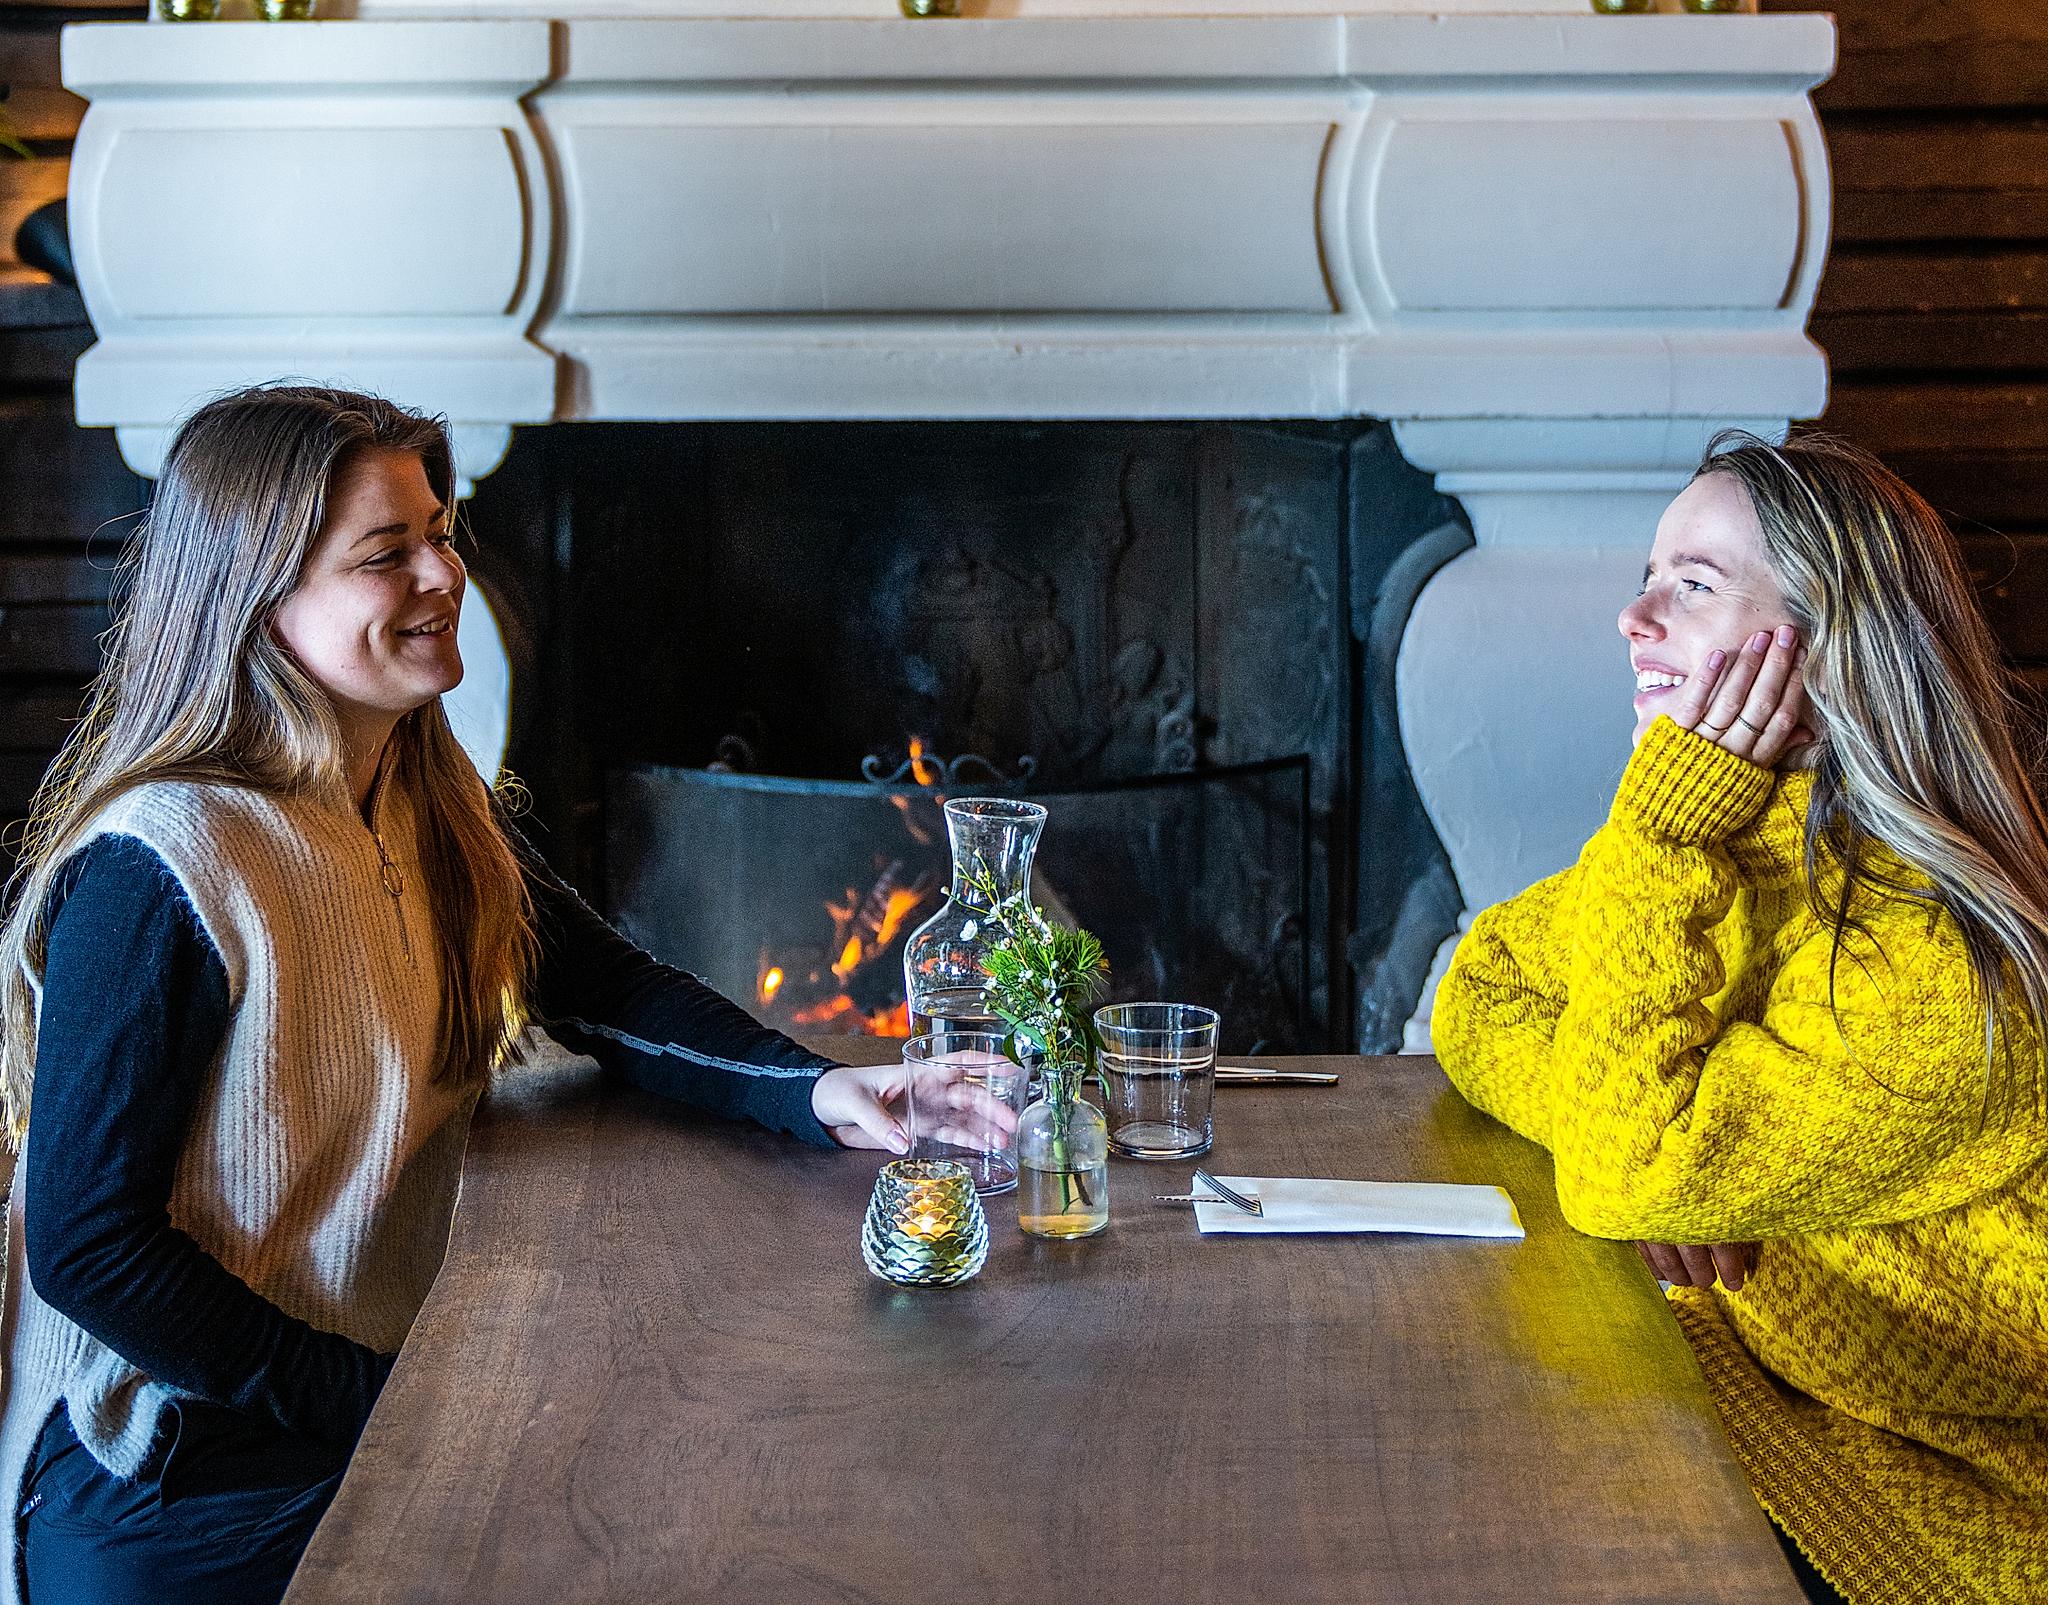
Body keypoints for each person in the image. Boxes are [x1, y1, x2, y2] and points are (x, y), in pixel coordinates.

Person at [0, 385, 1002, 1605]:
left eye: (442, 532)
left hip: (343, 1406)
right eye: (387, 554)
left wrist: (822, 1088)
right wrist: (401, 1417)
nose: (443, 575)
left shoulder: (420, 793)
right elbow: (89, 1251)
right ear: (257, 604)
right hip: (173, 1472)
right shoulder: (161, 865)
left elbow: (600, 986)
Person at [1431, 431, 2048, 1605]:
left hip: (1937, 1511)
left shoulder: (1930, 963)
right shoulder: (1745, 843)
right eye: (1647, 574)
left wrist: (1651, 1163)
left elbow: (1630, 1173)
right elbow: (1482, 988)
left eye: (1693, 586)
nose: (1632, 617)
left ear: (1828, 652)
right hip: (1748, 1398)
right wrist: (1639, 1153)